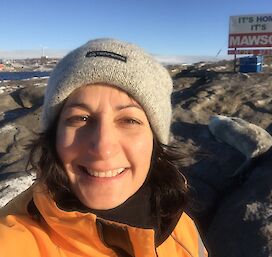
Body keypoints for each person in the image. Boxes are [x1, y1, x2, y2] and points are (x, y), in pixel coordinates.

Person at [0, 38, 208, 257]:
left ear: (155, 141)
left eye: (129, 120)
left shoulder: (181, 228)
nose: (103, 147)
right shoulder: (12, 242)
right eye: (81, 118)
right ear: (53, 136)